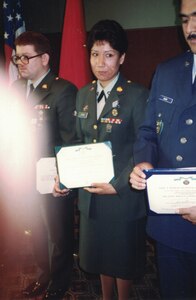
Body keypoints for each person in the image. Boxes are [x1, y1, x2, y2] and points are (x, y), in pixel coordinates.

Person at [55, 20, 149, 300]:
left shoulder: (137, 95)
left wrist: (118, 184)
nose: (101, 62)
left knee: (122, 260)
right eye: (95, 54)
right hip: (91, 197)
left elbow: (142, 148)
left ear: (122, 57)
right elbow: (78, 143)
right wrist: (65, 173)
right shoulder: (83, 94)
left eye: (109, 55)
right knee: (99, 257)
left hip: (122, 195)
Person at [130, 0, 196, 298]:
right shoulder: (167, 71)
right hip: (169, 222)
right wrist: (144, 161)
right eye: (184, 20)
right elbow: (148, 132)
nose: (190, 29)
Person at [12, 31, 77, 300]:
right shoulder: (16, 89)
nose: (20, 62)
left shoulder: (63, 90)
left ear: (46, 58)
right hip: (23, 174)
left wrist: (62, 177)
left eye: (27, 57)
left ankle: (60, 282)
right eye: (17, 57)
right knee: (35, 229)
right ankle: (43, 274)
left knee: (58, 232)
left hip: (51, 176)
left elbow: (69, 140)